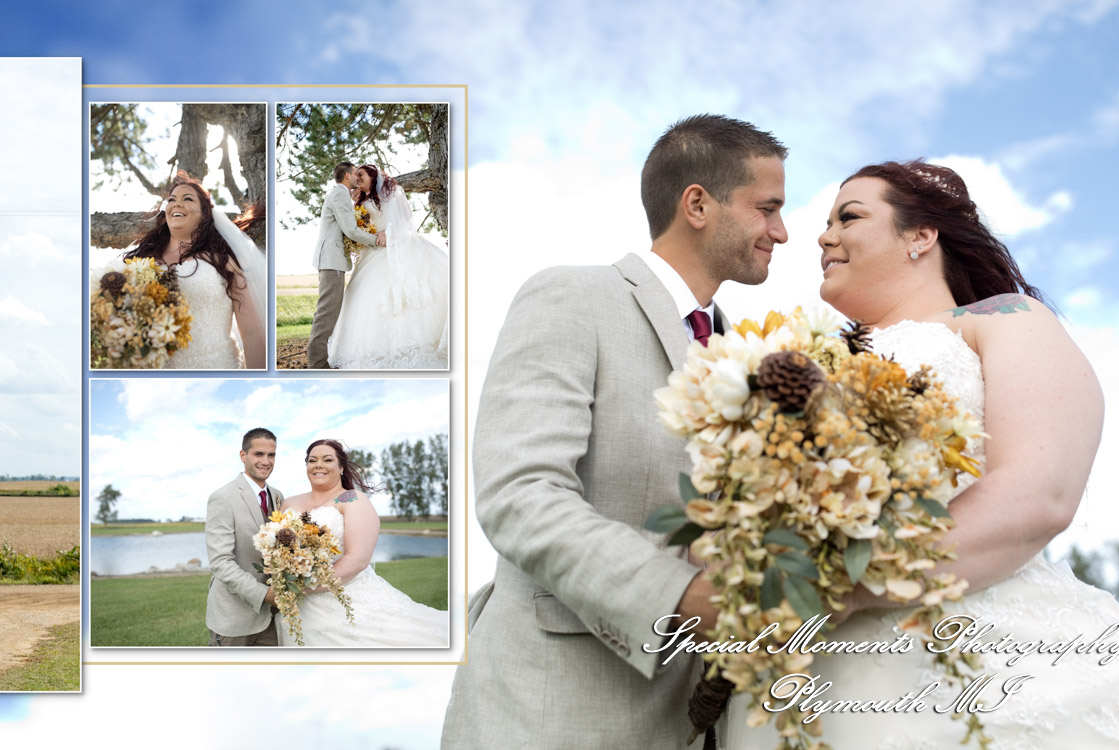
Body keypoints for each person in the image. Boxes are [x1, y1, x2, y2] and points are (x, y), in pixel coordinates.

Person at [727, 160, 1119, 747]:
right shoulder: (798, 361)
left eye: (849, 217)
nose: (823, 236)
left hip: (988, 660)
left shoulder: (1003, 319)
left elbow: (1042, 493)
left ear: (921, 235)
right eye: (826, 222)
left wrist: (839, 589)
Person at [442, 115, 789, 746]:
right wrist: (684, 596)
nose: (782, 232)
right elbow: (520, 494)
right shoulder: (574, 296)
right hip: (557, 708)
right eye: (767, 209)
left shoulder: (750, 355)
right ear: (698, 204)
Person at [274, 439, 447, 647]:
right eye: (312, 460)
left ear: (341, 468)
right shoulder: (289, 503)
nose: (318, 464)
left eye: (327, 459)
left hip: (346, 597)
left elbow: (357, 560)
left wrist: (301, 587)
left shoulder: (352, 499)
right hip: (296, 608)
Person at [124, 171, 266, 369]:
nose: (177, 203)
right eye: (171, 200)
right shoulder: (140, 260)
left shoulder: (225, 262)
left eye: (188, 199)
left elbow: (252, 334)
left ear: (205, 214)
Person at [327, 165, 450, 370]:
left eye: (361, 175)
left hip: (392, 245)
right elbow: (355, 225)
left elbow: (404, 219)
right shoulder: (359, 201)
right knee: (362, 295)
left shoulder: (387, 194)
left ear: (372, 177)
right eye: (356, 175)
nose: (358, 178)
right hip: (372, 251)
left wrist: (388, 232)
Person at [205, 427, 285, 646]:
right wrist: (264, 594)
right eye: (258, 454)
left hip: (272, 617)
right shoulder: (223, 497)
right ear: (243, 455)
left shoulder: (278, 496)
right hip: (234, 618)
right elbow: (221, 562)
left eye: (271, 455)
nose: (266, 461)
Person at [308, 161, 386, 369]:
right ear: (348, 175)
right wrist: (375, 240)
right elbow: (350, 230)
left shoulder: (340, 194)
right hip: (331, 260)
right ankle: (317, 366)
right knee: (327, 313)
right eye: (355, 174)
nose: (357, 179)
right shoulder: (340, 194)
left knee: (327, 312)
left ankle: (318, 363)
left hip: (331, 259)